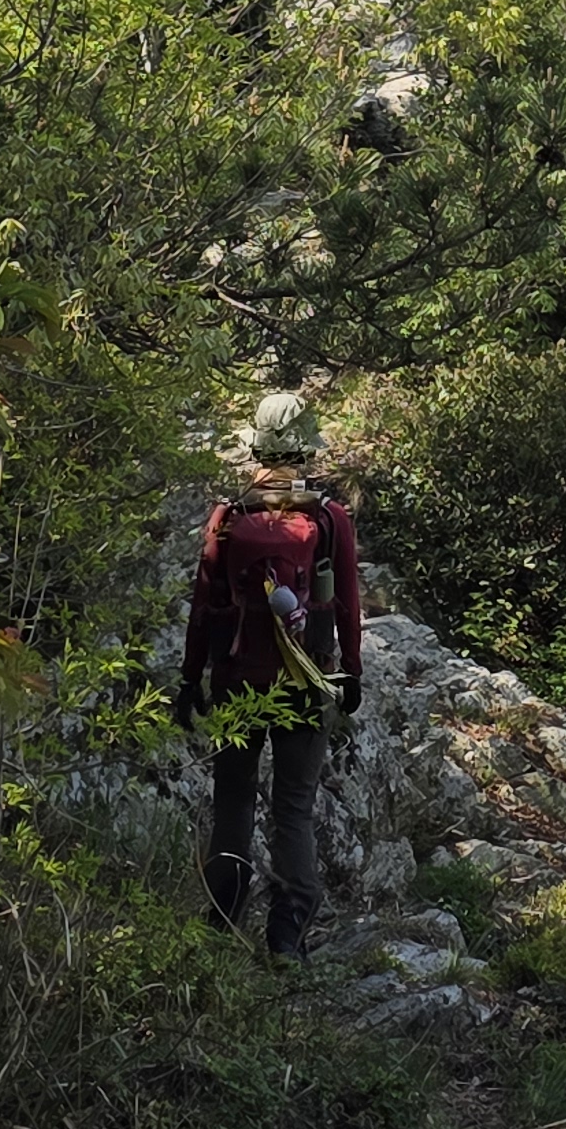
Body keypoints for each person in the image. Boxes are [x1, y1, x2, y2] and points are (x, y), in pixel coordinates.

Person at [175, 384, 363, 958]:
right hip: (304, 682)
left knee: (233, 801)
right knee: (293, 809)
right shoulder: (329, 518)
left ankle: (221, 922)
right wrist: (351, 672)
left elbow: (204, 605)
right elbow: (348, 604)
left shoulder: (228, 517)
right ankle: (286, 937)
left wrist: (190, 678)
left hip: (236, 681)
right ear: (305, 450)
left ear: (257, 448)